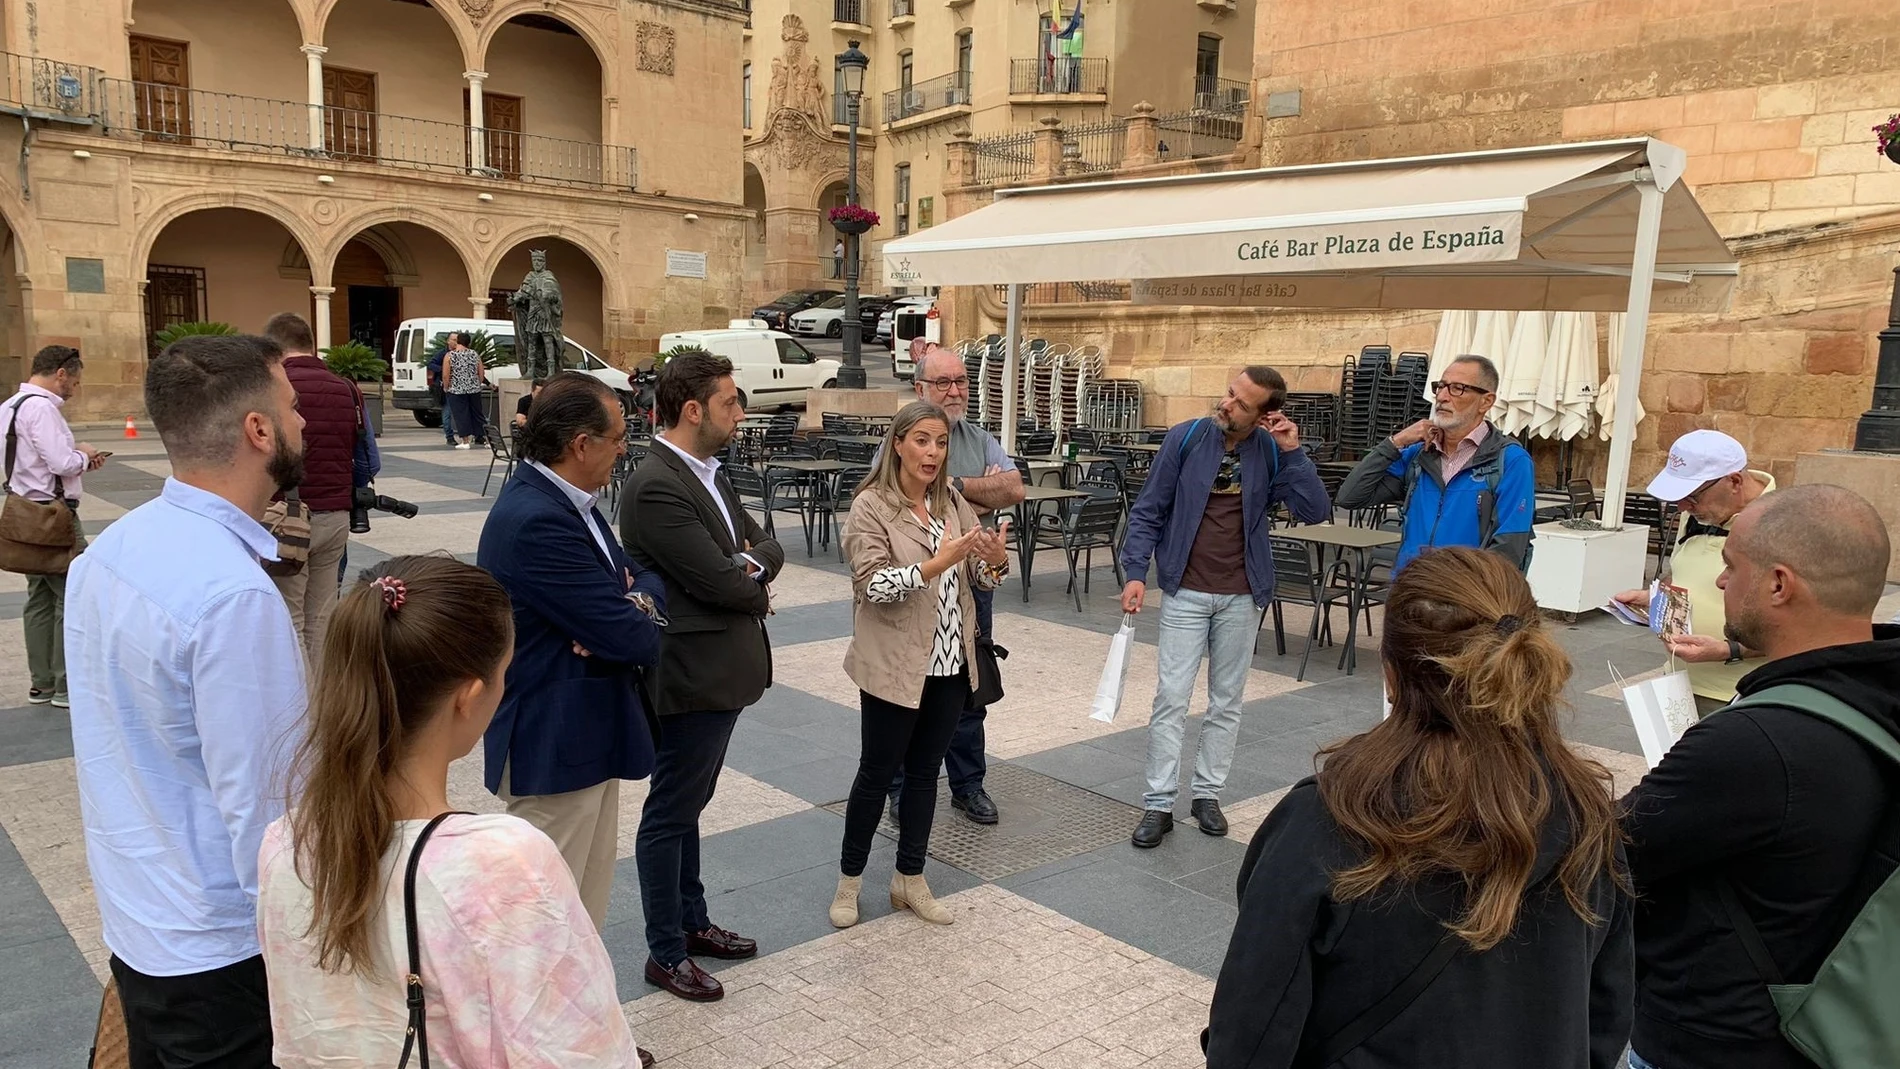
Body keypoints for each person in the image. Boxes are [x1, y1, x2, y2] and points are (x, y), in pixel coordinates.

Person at [1204, 547, 1632, 1068]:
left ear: (1391, 673)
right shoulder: (1587, 813)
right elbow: (1607, 1011)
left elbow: (1252, 1027)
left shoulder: (1329, 817)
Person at [257, 555, 653, 1068]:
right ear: (469, 696)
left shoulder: (286, 843)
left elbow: (295, 1033)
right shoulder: (503, 864)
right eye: (504, 672)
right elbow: (582, 1053)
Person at [66, 333, 309, 1062]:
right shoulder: (232, 595)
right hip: (216, 948)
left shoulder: (114, 545)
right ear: (257, 430)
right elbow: (268, 813)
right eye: (293, 407)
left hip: (140, 913)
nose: (305, 422)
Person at [1622, 484, 1899, 1069]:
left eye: (1730, 565)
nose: (1721, 583)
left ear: (1778, 584)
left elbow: (1604, 851)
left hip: (1717, 1039)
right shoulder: (1877, 690)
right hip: (1835, 1025)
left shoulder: (1755, 744)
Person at [619, 350, 784, 1002]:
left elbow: (764, 543)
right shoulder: (657, 483)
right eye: (730, 402)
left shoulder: (709, 472)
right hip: (689, 676)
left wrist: (749, 569)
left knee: (688, 806)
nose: (740, 414)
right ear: (694, 410)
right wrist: (748, 578)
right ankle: (665, 950)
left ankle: (692, 921)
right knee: (670, 812)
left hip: (719, 671)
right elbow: (721, 579)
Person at [476, 372, 666, 931]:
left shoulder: (569, 503)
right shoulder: (537, 519)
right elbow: (635, 637)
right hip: (554, 744)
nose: (625, 447)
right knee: (546, 924)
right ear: (581, 445)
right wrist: (628, 610)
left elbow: (645, 577)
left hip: (585, 735)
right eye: (618, 436)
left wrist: (631, 600)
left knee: (583, 914)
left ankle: (577, 1018)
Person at [1118, 366, 1332, 847]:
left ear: (1264, 415)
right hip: (1184, 589)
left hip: (1243, 594)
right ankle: (1158, 803)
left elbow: (1315, 511)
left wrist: (1293, 452)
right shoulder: (1187, 438)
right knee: (1171, 697)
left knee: (1226, 701)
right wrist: (1135, 572)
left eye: (1240, 402)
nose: (1226, 403)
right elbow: (1149, 508)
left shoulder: (1272, 454)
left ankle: (1207, 795)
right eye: (1229, 393)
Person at [832, 401, 1011, 930]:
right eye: (923, 441)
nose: (933, 453)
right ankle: (849, 881)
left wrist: (993, 562)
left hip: (951, 665)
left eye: (940, 443)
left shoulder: (953, 502)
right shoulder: (871, 507)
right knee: (877, 774)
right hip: (895, 666)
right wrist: (937, 563)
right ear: (898, 444)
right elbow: (872, 586)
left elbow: (979, 576)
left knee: (926, 777)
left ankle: (910, 878)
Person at [888, 343, 1025, 827]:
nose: (954, 390)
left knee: (970, 687)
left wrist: (957, 486)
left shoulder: (979, 436)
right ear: (920, 388)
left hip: (970, 585)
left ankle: (968, 784)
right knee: (911, 691)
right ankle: (901, 788)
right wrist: (979, 488)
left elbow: (1014, 488)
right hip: (914, 588)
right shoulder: (901, 438)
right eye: (943, 382)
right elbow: (895, 500)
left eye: (961, 381)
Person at [1610, 430, 1774, 716]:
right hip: (1678, 684)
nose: (1683, 507)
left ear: (1734, 481)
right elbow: (1684, 575)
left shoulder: (1787, 522)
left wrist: (1728, 650)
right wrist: (1655, 599)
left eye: (1692, 497)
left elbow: (1810, 630)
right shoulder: (1696, 514)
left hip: (1742, 694)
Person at [1335, 354, 1536, 572]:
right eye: (1440, 386)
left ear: (1486, 401)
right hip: (1411, 591)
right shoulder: (1418, 455)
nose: (1442, 396)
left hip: (1466, 598)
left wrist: (1466, 595)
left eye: (1457, 388)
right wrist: (1395, 442)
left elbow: (1509, 548)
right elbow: (1349, 497)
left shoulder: (1510, 461)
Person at [0, 345, 106, 708]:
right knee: (74, 595)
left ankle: (41, 683)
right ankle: (66, 685)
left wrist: (73, 461)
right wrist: (85, 453)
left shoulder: (9, 407)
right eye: (74, 382)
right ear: (60, 373)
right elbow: (61, 462)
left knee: (40, 598)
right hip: (54, 515)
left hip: (24, 511)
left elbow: (28, 459)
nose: (74, 390)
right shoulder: (42, 408)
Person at [263, 312, 364, 665]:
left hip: (286, 516)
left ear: (275, 349)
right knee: (321, 618)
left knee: (289, 619)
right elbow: (368, 459)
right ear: (311, 345)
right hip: (336, 513)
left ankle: (299, 710)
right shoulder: (347, 388)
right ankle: (324, 704)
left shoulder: (273, 387)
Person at [441, 331, 489, 449]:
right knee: (478, 414)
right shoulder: (475, 354)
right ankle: (486, 439)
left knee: (461, 414)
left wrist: (446, 387)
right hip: (474, 390)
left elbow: (446, 375)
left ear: (458, 341)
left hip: (456, 390)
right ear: (469, 342)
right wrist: (476, 384)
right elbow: (481, 373)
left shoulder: (450, 355)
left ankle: (465, 441)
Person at [425, 343, 457, 447]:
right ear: (448, 341)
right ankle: (449, 437)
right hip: (445, 388)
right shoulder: (442, 354)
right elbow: (430, 364)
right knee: (447, 412)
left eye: (457, 340)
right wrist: (444, 368)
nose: (456, 342)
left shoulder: (461, 353)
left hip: (458, 388)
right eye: (453, 340)